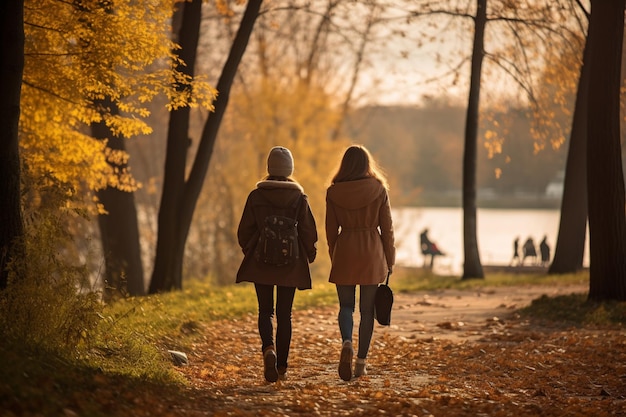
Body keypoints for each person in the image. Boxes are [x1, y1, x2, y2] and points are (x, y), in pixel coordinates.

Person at [236, 146, 318, 383]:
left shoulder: (256, 196)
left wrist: (250, 249)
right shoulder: (299, 198)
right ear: (290, 169)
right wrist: (309, 254)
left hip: (260, 262)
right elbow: (308, 231)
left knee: (265, 311)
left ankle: (268, 349)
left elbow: (244, 230)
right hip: (290, 264)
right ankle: (281, 367)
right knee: (285, 314)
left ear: (269, 168)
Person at [325, 145, 396, 381]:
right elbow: (387, 229)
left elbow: (330, 230)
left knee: (346, 306)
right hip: (372, 252)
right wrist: (390, 258)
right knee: (367, 311)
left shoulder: (334, 192)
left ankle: (347, 341)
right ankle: (361, 364)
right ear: (368, 164)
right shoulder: (378, 189)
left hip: (345, 249)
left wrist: (334, 252)